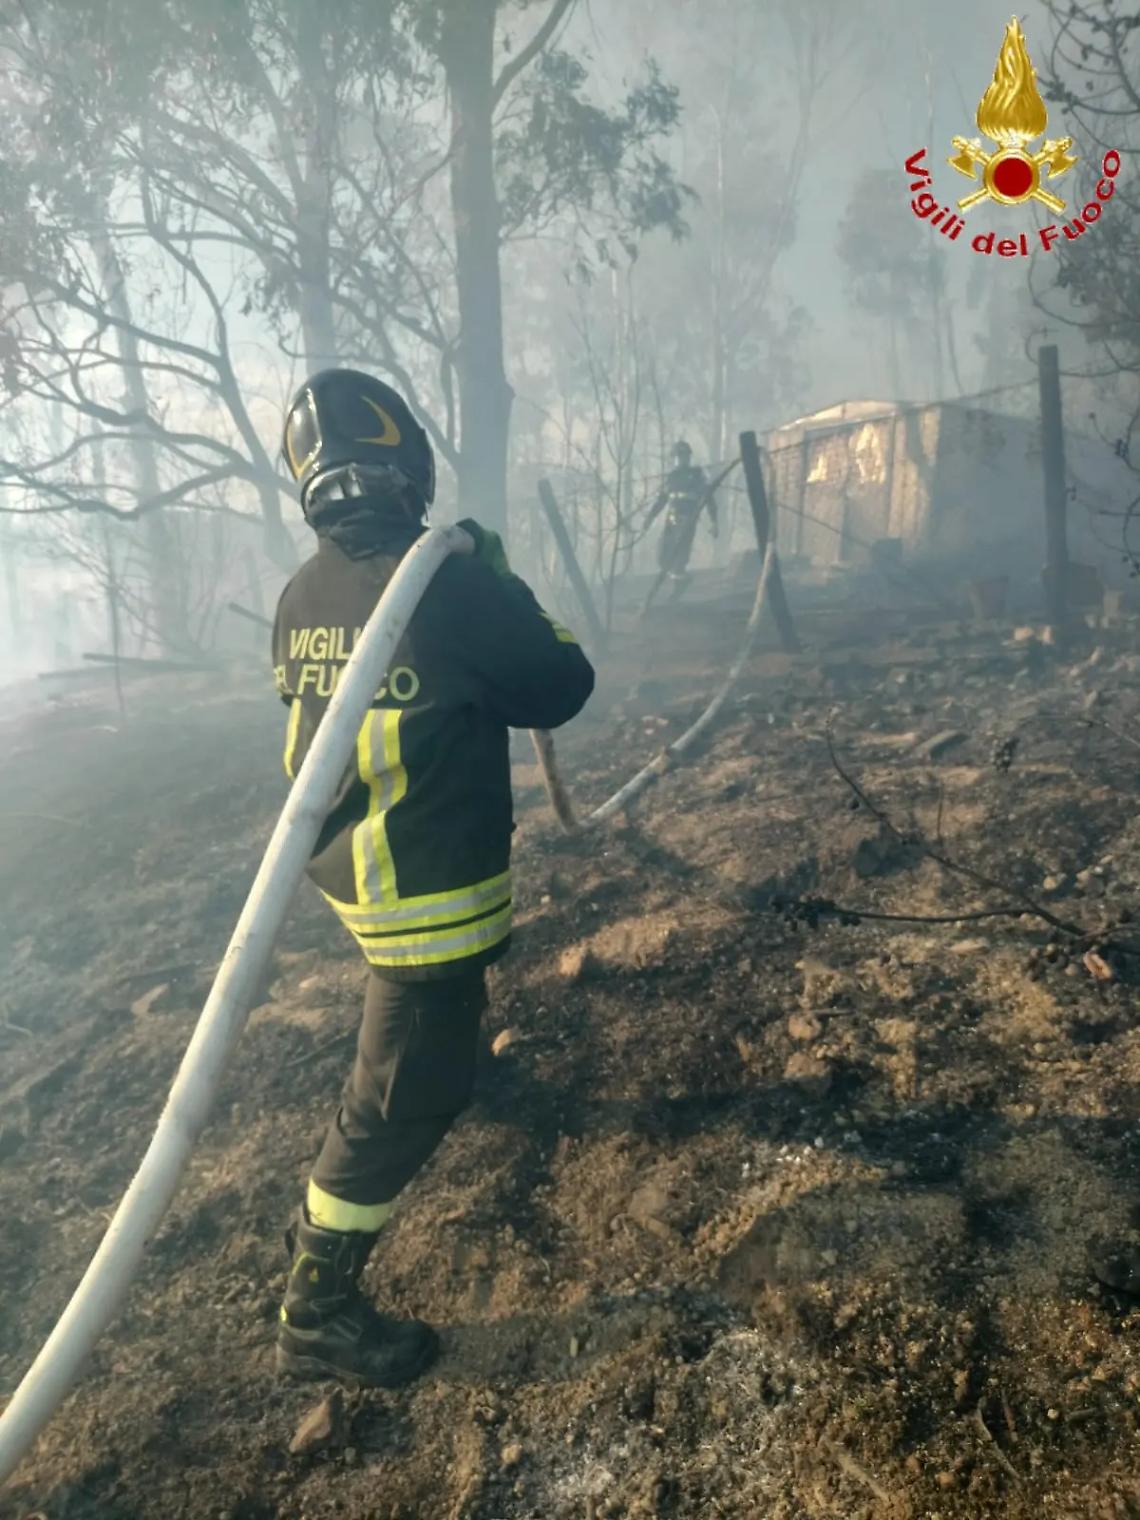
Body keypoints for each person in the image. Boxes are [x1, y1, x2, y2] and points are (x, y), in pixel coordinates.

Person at [271, 368, 594, 1387]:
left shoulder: (301, 592)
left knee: (431, 1023)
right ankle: (317, 1307)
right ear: (407, 464)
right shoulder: (447, 583)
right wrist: (499, 578)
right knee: (396, 1099)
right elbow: (561, 682)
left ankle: (463, 1065)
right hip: (426, 898)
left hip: (361, 875)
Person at [641, 440, 717, 610]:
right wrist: (649, 519)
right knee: (662, 554)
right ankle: (681, 580)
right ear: (673, 458)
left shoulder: (697, 476)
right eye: (678, 456)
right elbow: (661, 501)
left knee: (679, 557)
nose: (681, 459)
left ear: (688, 457)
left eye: (684, 456)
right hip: (671, 521)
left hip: (687, 521)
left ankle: (677, 591)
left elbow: (709, 499)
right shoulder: (672, 478)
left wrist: (714, 521)